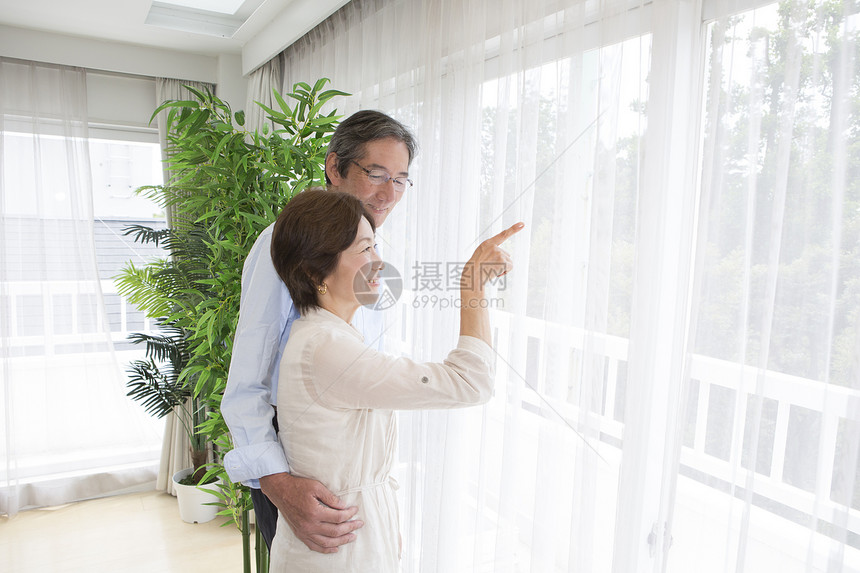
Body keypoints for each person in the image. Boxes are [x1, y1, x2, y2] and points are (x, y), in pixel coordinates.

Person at [266, 190, 523, 571]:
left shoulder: (326, 336)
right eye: (364, 249)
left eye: (375, 247)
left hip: (348, 540)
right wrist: (472, 286)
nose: (379, 263)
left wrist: (384, 525)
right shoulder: (326, 349)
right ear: (314, 271)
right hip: (339, 552)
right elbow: (471, 381)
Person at [221, 110, 418, 553]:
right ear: (334, 167)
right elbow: (246, 384)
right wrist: (279, 486)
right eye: (377, 174)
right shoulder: (285, 247)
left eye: (402, 179)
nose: (389, 194)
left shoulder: (369, 253)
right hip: (297, 469)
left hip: (355, 474)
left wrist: (382, 502)